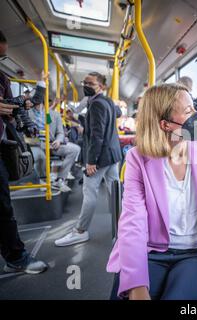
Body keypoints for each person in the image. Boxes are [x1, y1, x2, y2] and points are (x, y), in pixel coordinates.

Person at [107, 83, 197, 300]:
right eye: (189, 112)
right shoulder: (137, 158)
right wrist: (137, 284)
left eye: (194, 108)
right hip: (151, 252)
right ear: (165, 124)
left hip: (196, 254)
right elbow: (133, 221)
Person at [54, 72, 121, 246]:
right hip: (112, 155)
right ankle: (122, 226)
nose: (86, 86)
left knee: (90, 193)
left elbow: (97, 135)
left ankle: (80, 231)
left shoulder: (96, 104)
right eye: (85, 82)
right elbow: (113, 115)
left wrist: (91, 161)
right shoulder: (106, 101)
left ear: (102, 86)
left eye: (91, 83)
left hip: (100, 157)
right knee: (115, 193)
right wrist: (80, 118)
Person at [0, 30, 47, 274]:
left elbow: (18, 108)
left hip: (2, 146)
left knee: (3, 205)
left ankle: (15, 255)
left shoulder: (3, 80)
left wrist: (35, 92)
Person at [28, 101, 81, 192]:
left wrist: (58, 141)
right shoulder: (27, 113)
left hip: (51, 144)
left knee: (75, 149)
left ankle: (60, 179)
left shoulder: (54, 115)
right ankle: (43, 179)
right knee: (41, 157)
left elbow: (60, 132)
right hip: (36, 144)